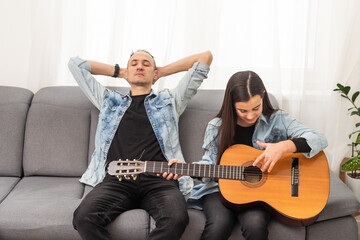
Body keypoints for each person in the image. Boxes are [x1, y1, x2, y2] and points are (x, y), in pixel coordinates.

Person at [68, 49, 213, 240]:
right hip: (117, 181)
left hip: (160, 182)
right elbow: (75, 64)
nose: (139, 66)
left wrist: (160, 72)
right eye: (134, 63)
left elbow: (205, 58)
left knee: (177, 219)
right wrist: (121, 71)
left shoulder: (170, 100)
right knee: (83, 217)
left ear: (154, 73)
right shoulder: (109, 101)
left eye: (146, 64)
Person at [187, 71, 328, 240]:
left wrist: (284, 146)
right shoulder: (216, 127)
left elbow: (319, 139)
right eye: (242, 110)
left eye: (256, 108)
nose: (250, 116)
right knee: (218, 224)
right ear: (231, 104)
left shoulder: (278, 119)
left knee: (255, 225)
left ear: (263, 96)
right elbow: (208, 163)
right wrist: (183, 169)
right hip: (218, 190)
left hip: (259, 194)